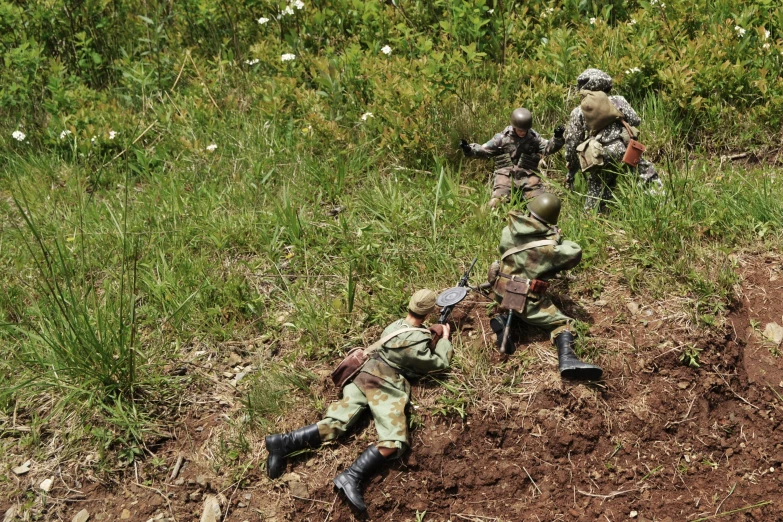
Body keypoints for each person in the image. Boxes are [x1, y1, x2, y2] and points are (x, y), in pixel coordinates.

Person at [264, 290, 453, 512]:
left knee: (336, 421)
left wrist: (427, 333)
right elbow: (439, 363)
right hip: (384, 384)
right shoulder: (417, 341)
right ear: (430, 311)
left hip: (364, 373)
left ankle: (283, 443)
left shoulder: (395, 326)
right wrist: (444, 340)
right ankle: (351, 476)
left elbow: (405, 343)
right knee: (394, 440)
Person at [488, 193, 602, 380]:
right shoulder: (547, 248)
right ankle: (568, 360)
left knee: (520, 308)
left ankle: (506, 320)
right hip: (525, 298)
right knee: (563, 323)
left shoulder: (508, 231)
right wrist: (556, 238)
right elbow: (574, 252)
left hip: (501, 291)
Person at [564, 68, 663, 212]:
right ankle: (660, 206)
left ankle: (594, 220)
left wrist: (572, 169)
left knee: (598, 186)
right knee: (646, 175)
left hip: (600, 154)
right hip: (625, 148)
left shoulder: (579, 111)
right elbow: (635, 120)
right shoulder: (618, 100)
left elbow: (572, 142)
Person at [460, 108, 565, 209]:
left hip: (528, 174)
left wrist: (557, 138)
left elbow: (547, 148)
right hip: (505, 174)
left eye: (525, 130)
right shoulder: (502, 138)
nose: (522, 132)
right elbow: (484, 151)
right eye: (520, 130)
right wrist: (469, 149)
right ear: (514, 126)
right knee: (496, 202)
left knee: (540, 204)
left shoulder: (534, 138)